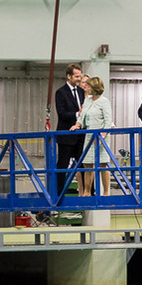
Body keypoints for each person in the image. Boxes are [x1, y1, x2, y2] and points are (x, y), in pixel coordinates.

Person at [73, 77, 114, 196]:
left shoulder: (104, 101)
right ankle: (87, 191)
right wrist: (77, 124)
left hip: (102, 136)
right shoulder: (87, 100)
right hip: (89, 135)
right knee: (87, 163)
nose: (86, 88)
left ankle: (106, 192)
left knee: (102, 163)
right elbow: (82, 116)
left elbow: (108, 120)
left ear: (95, 87)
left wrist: (103, 134)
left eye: (89, 86)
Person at [54, 63, 86, 196]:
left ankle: (88, 191)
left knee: (83, 164)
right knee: (62, 164)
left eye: (80, 76)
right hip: (66, 135)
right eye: (76, 76)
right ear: (69, 76)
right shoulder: (61, 93)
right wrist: (77, 114)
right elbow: (61, 114)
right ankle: (59, 192)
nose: (79, 79)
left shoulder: (80, 91)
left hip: (80, 136)